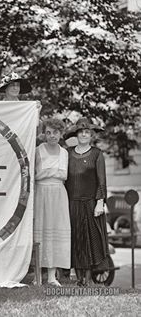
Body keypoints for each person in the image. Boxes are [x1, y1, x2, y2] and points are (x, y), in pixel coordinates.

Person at [64, 117, 109, 286]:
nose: (84, 134)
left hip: (91, 203)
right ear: (76, 134)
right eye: (81, 132)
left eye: (87, 132)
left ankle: (89, 279)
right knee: (76, 238)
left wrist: (100, 202)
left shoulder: (97, 154)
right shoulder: (67, 153)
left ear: (91, 135)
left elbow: (101, 180)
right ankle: (79, 277)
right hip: (71, 203)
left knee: (91, 240)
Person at [33, 118, 71, 286]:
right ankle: (37, 276)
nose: (52, 136)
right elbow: (35, 176)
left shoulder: (64, 153)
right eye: (48, 132)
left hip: (58, 195)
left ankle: (52, 276)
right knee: (40, 231)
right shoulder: (37, 151)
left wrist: (47, 172)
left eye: (55, 132)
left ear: (60, 134)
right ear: (44, 134)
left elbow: (64, 176)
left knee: (56, 231)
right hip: (41, 192)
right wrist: (49, 172)